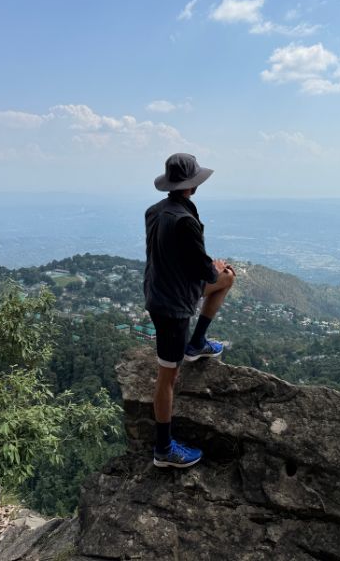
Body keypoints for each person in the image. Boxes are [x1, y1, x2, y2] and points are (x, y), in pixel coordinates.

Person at [144, 153, 236, 468]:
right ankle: (164, 449)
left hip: (161, 292)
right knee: (167, 377)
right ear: (192, 185)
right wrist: (216, 268)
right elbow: (206, 273)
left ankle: (196, 344)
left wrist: (213, 269)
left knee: (227, 279)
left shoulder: (155, 211)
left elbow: (172, 256)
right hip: (172, 306)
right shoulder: (184, 219)